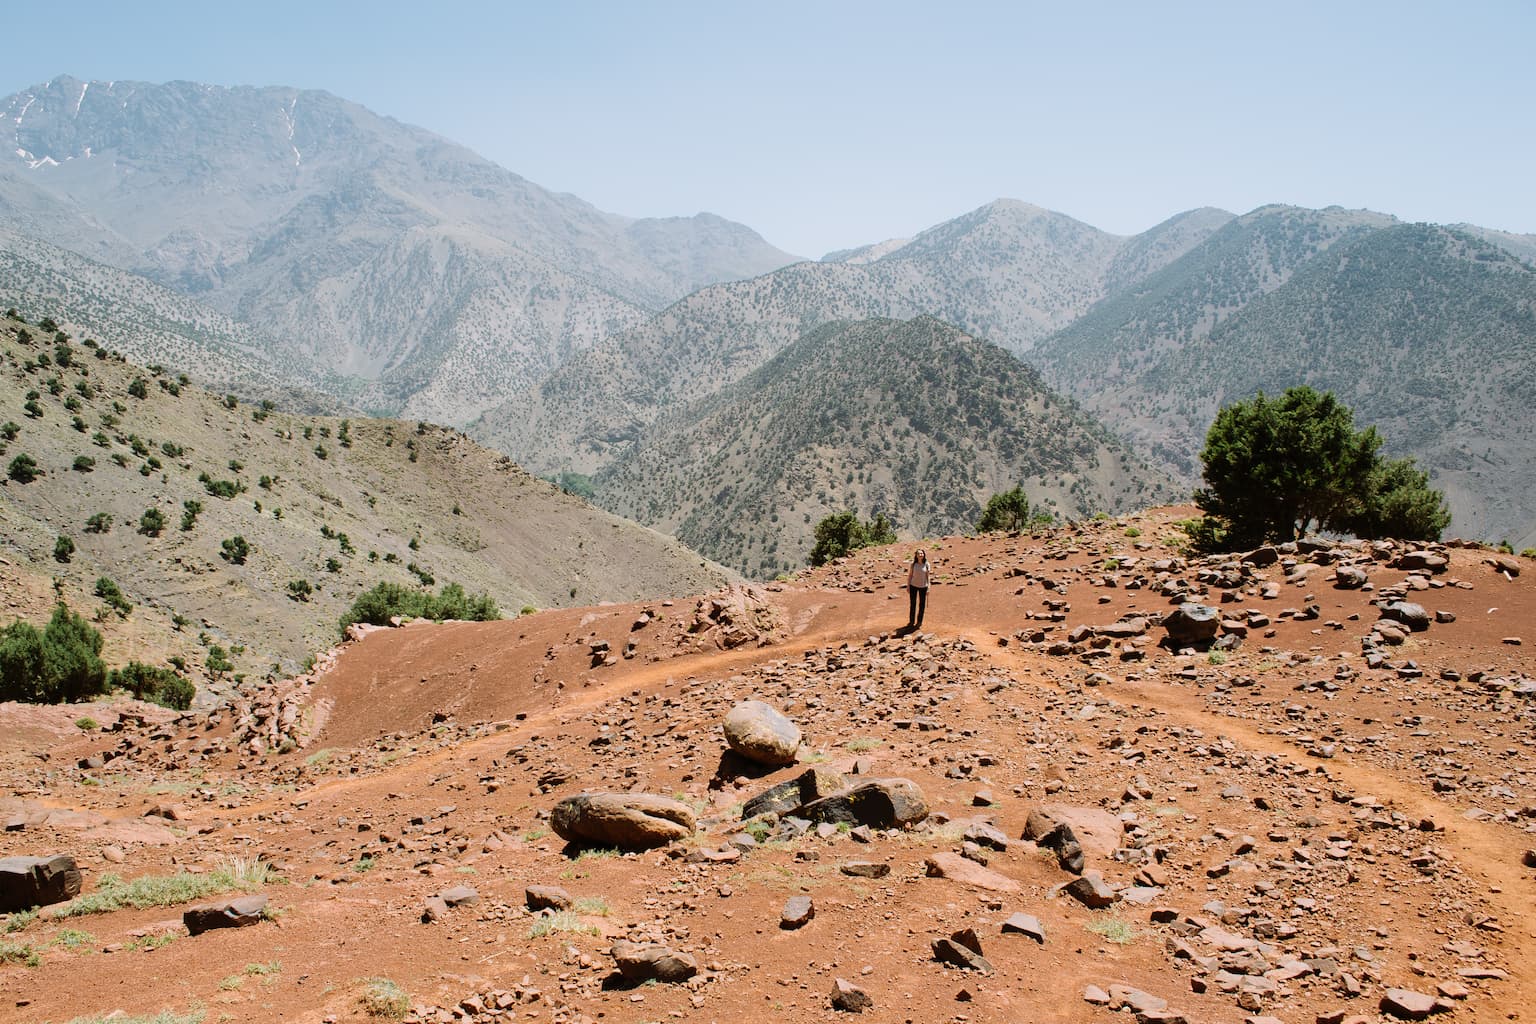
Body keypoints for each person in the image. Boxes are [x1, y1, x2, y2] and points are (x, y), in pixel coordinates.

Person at [907, 549, 930, 628]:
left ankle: (919, 621)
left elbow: (928, 577)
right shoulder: (913, 564)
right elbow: (910, 575)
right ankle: (911, 621)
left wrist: (929, 587)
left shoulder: (926, 564)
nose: (920, 555)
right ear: (916, 555)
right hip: (913, 585)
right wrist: (908, 585)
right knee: (913, 604)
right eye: (919, 554)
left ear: (924, 555)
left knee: (922, 605)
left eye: (922, 553)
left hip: (923, 586)